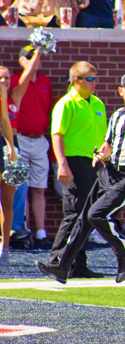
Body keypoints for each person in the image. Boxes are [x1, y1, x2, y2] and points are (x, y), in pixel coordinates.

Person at [36, 72, 125, 284]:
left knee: (96, 215)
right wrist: (101, 153)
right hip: (108, 172)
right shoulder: (117, 115)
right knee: (83, 218)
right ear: (120, 92)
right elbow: (109, 144)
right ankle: (62, 267)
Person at [46, 61, 107, 279]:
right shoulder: (66, 103)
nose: (94, 83)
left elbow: (102, 137)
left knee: (87, 216)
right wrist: (62, 164)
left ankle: (77, 266)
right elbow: (57, 135)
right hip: (73, 162)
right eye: (90, 79)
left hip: (94, 164)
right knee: (74, 214)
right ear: (76, 81)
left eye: (95, 78)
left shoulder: (98, 103)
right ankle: (57, 261)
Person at [10, 45, 53, 245]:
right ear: (21, 61)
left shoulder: (45, 81)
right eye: (28, 57)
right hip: (20, 139)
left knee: (39, 188)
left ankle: (41, 233)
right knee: (22, 187)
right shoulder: (14, 81)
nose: (34, 59)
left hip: (39, 139)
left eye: (35, 56)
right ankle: (23, 230)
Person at [0, 59, 23, 266]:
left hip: (3, 148)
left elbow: (5, 121)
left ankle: (4, 248)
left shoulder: (2, 91)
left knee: (7, 201)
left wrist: (12, 150)